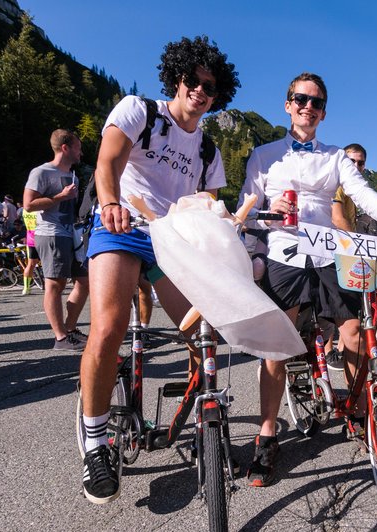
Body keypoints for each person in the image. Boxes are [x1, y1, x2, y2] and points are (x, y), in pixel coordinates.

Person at [239, 72, 377, 488]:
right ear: (288, 104)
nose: (308, 106)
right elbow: (244, 211)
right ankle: (267, 434)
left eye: (317, 102)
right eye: (300, 99)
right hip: (283, 252)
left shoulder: (337, 156)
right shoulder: (264, 155)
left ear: (323, 112)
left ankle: (361, 412)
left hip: (326, 253)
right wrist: (269, 210)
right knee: (277, 345)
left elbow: (363, 193)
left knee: (355, 332)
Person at [77, 36, 239, 504]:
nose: (200, 90)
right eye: (193, 80)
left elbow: (209, 204)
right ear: (177, 77)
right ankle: (95, 442)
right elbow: (107, 162)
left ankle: (206, 418)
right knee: (107, 328)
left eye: (210, 86)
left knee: (202, 331)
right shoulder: (139, 110)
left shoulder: (208, 150)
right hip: (122, 226)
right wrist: (109, 202)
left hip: (173, 241)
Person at [23, 129, 89, 353]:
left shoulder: (74, 176)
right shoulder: (41, 172)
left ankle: (69, 330)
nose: (81, 152)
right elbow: (28, 205)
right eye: (78, 147)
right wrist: (60, 196)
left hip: (72, 233)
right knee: (55, 284)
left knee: (84, 281)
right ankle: (60, 338)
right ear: (65, 148)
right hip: (51, 233)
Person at [327, 143, 368, 371]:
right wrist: (359, 246)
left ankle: (341, 350)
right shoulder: (337, 185)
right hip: (333, 251)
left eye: (360, 162)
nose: (356, 166)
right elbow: (338, 219)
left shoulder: (355, 190)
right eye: (351, 161)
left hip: (346, 250)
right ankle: (327, 352)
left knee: (350, 307)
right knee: (335, 308)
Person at [20, 209, 40, 295]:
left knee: (30, 264)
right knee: (48, 262)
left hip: (30, 239)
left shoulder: (25, 210)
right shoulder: (39, 210)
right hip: (41, 236)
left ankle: (26, 288)